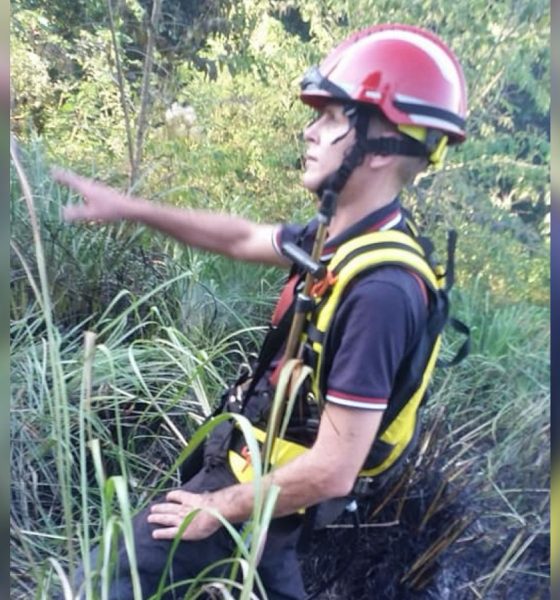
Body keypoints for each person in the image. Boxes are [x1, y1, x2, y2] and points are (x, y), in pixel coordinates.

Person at [54, 23, 467, 600]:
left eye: (330, 116)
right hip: (263, 479)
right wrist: (133, 209)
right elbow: (240, 237)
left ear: (380, 141)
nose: (309, 130)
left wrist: (215, 508)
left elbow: (333, 469)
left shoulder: (382, 291)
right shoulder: (338, 236)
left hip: (262, 492)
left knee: (97, 586)